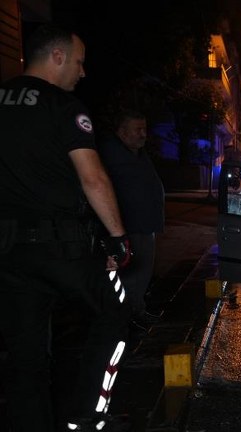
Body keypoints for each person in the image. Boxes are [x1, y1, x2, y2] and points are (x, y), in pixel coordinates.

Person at [0, 24, 133, 431]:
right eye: (79, 61)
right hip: (63, 249)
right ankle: (89, 416)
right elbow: (93, 178)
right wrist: (118, 238)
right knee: (115, 316)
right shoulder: (63, 106)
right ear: (56, 57)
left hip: (9, 254)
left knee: (26, 357)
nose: (83, 72)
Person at [99, 109, 165, 331]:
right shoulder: (111, 153)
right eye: (137, 129)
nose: (143, 134)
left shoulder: (137, 153)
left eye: (144, 129)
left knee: (143, 273)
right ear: (122, 132)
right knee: (131, 276)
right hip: (128, 226)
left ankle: (136, 311)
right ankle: (127, 318)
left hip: (145, 225)